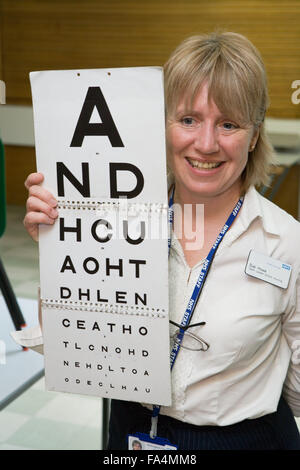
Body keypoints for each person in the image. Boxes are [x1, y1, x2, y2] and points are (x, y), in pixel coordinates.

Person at [23, 31, 300, 450]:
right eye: (188, 119)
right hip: (133, 436)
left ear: (255, 134)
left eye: (228, 124)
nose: (205, 144)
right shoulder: (112, 220)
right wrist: (59, 248)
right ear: (163, 122)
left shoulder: (286, 243)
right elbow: (66, 348)